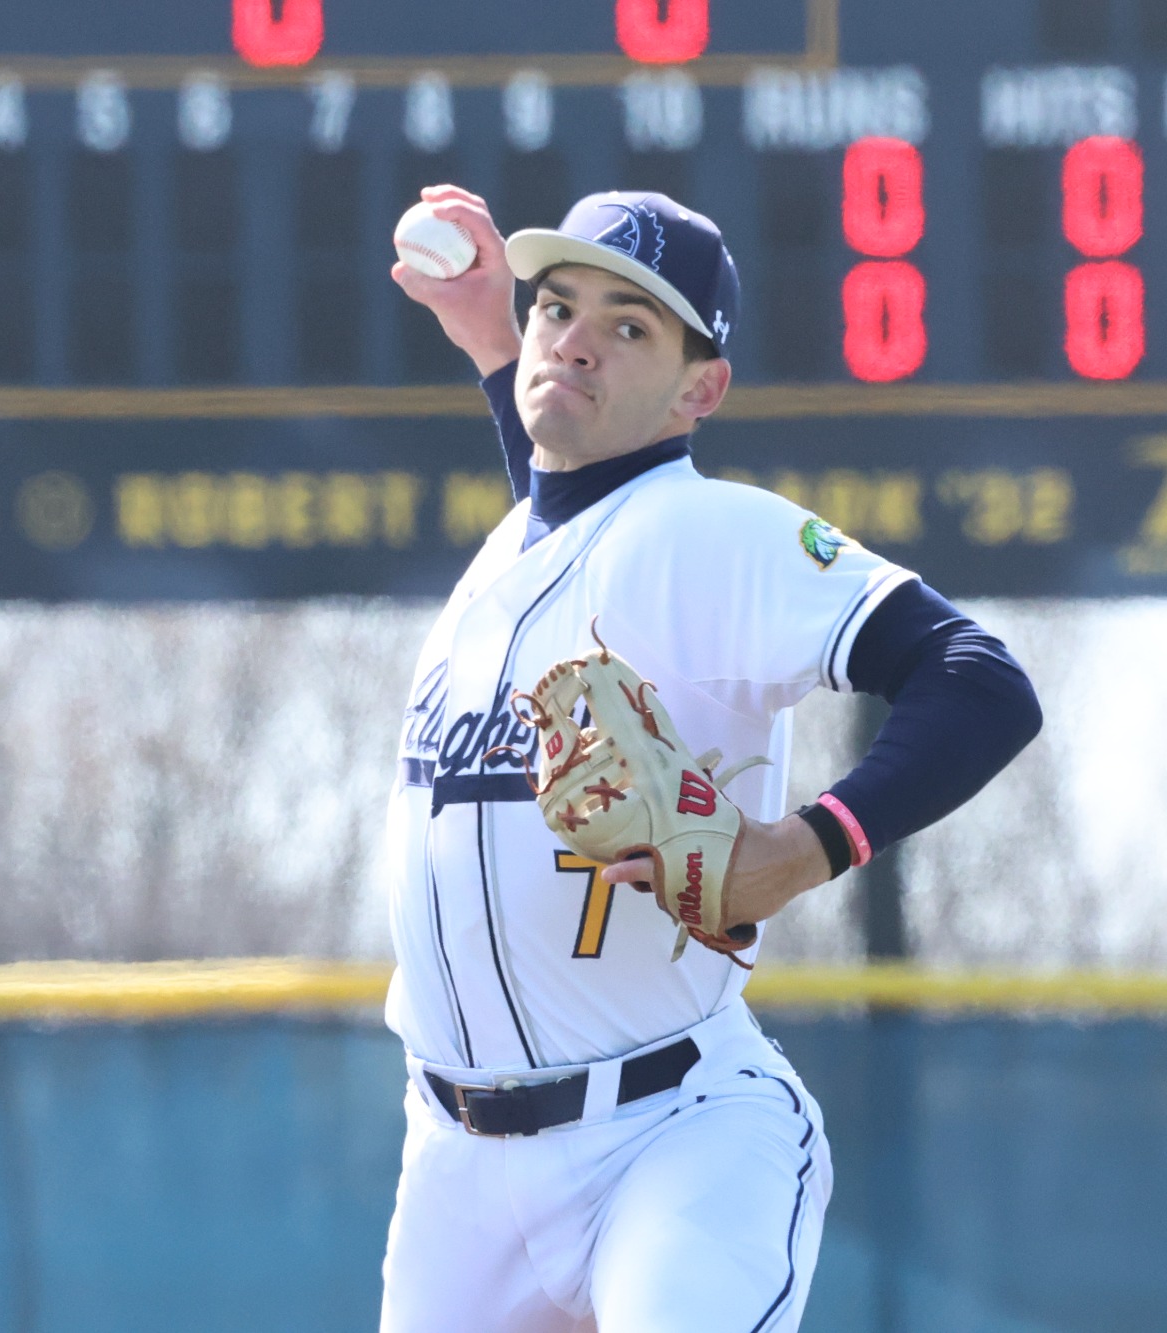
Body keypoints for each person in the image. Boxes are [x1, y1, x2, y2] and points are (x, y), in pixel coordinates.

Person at [379, 184, 1042, 1331]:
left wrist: (801, 846)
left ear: (701, 388)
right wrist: (495, 332)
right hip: (455, 1171)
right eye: (560, 307)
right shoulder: (517, 554)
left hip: (669, 1140)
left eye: (629, 326)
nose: (576, 338)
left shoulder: (706, 531)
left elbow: (978, 678)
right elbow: (566, 509)